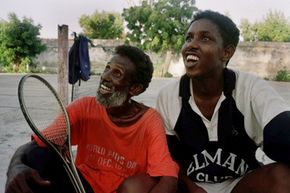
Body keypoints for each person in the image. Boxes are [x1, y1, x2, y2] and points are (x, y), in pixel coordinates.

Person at [5, 45, 179, 193]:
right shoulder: (85, 107)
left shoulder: (149, 120)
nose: (105, 76)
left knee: (136, 186)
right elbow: (39, 144)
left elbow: (168, 178)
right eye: (107, 68)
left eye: (117, 73)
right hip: (81, 185)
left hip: (122, 190)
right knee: (36, 158)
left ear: (135, 89)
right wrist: (15, 167)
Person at [156, 10, 290, 193]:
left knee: (282, 176)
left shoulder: (250, 88)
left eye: (204, 38)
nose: (191, 45)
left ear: (226, 52)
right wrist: (192, 188)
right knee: (138, 184)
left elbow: (282, 129)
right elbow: (167, 159)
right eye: (188, 38)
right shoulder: (168, 96)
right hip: (190, 187)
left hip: (240, 185)